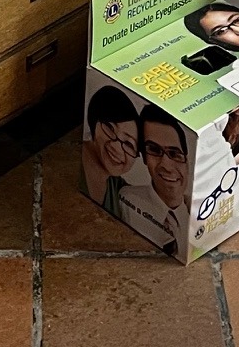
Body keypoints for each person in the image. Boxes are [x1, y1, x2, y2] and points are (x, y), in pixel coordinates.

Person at [118, 105, 191, 257]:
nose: (166, 165)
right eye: (154, 150)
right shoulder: (127, 200)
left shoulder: (197, 214)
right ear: (144, 157)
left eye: (174, 153)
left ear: (187, 161)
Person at [80, 86, 140, 217]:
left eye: (128, 144)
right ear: (94, 122)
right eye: (110, 128)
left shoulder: (121, 190)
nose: (116, 147)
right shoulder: (71, 162)